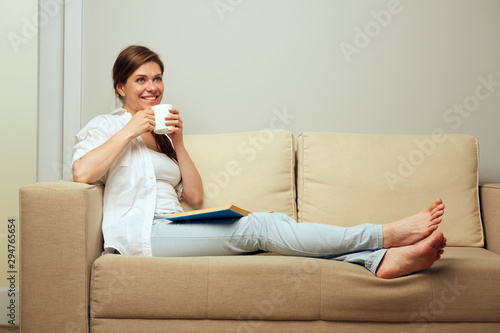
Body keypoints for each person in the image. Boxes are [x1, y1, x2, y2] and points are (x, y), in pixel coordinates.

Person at [72, 45, 447, 279]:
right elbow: (82, 172)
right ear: (121, 87)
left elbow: (196, 196)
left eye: (157, 78)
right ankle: (384, 236)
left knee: (273, 225)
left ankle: (378, 260)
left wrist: (179, 143)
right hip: (141, 236)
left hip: (173, 225)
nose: (152, 87)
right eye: (141, 80)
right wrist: (128, 130)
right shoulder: (107, 126)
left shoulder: (163, 135)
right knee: (263, 228)